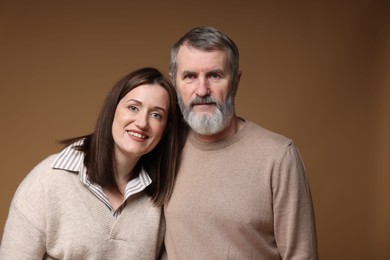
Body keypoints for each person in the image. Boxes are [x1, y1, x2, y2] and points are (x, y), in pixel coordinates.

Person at [162, 27, 319, 259]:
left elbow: (301, 254)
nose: (202, 90)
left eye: (214, 75)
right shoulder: (164, 149)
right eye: (190, 76)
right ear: (174, 82)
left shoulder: (278, 156)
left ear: (235, 81)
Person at [0, 67, 185, 259]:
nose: (142, 123)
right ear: (113, 109)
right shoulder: (47, 181)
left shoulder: (161, 198)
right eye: (133, 108)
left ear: (166, 129)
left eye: (156, 115)